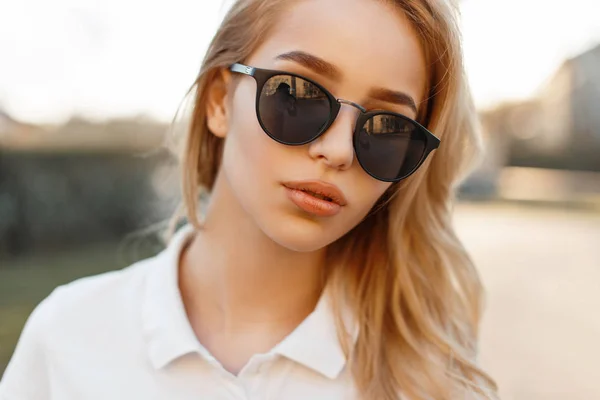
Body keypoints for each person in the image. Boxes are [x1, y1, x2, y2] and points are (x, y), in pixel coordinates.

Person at [0, 0, 500, 399]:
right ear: (220, 100)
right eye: (298, 95)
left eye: (388, 128)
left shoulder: (430, 381)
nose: (338, 150)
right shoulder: (67, 336)